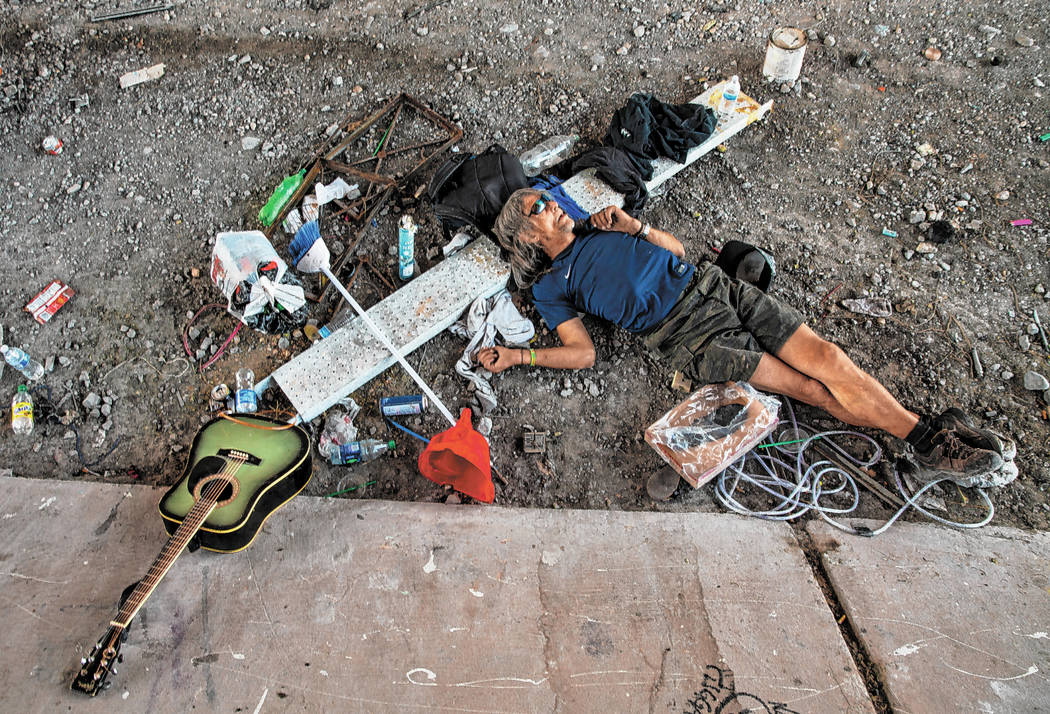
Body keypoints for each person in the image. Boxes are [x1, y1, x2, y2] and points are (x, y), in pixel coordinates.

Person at [479, 188, 1012, 483]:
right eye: (538, 206)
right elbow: (584, 352)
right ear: (526, 236)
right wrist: (518, 356)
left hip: (714, 286)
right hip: (688, 334)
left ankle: (926, 440)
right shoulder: (552, 286)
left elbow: (678, 252)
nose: (552, 203)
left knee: (826, 356)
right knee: (809, 390)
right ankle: (928, 439)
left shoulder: (600, 226)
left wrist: (635, 228)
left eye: (547, 196)